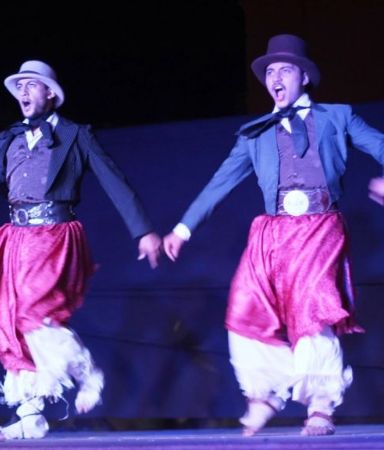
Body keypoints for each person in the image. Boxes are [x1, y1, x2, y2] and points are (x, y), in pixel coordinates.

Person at [162, 34, 384, 437]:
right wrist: (183, 228)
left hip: (319, 226)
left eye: (284, 70)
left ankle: (320, 404)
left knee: (313, 307)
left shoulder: (337, 116)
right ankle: (264, 394)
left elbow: (380, 145)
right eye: (269, 72)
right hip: (272, 229)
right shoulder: (255, 133)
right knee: (245, 305)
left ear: (304, 77)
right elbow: (220, 182)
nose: (275, 78)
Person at [0, 60, 161, 440]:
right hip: (17, 237)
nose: (23, 93)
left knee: (32, 312)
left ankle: (87, 372)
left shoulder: (75, 135)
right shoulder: (10, 137)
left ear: (50, 94)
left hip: (55, 234)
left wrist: (143, 231)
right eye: (20, 87)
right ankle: (30, 413)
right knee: (11, 319)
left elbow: (114, 181)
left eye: (31, 85)